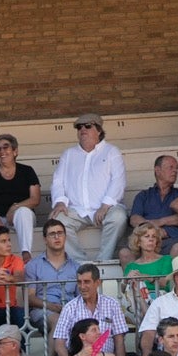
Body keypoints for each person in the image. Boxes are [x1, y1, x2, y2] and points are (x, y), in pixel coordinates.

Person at [49, 112, 127, 262]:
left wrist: (105, 205)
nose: (82, 129)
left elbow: (119, 180)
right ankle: (80, 263)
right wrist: (60, 201)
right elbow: (58, 180)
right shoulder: (69, 154)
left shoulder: (112, 151)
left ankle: (103, 261)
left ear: (98, 130)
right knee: (57, 221)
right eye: (79, 127)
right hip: (77, 209)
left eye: (87, 126)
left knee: (118, 218)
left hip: (106, 208)